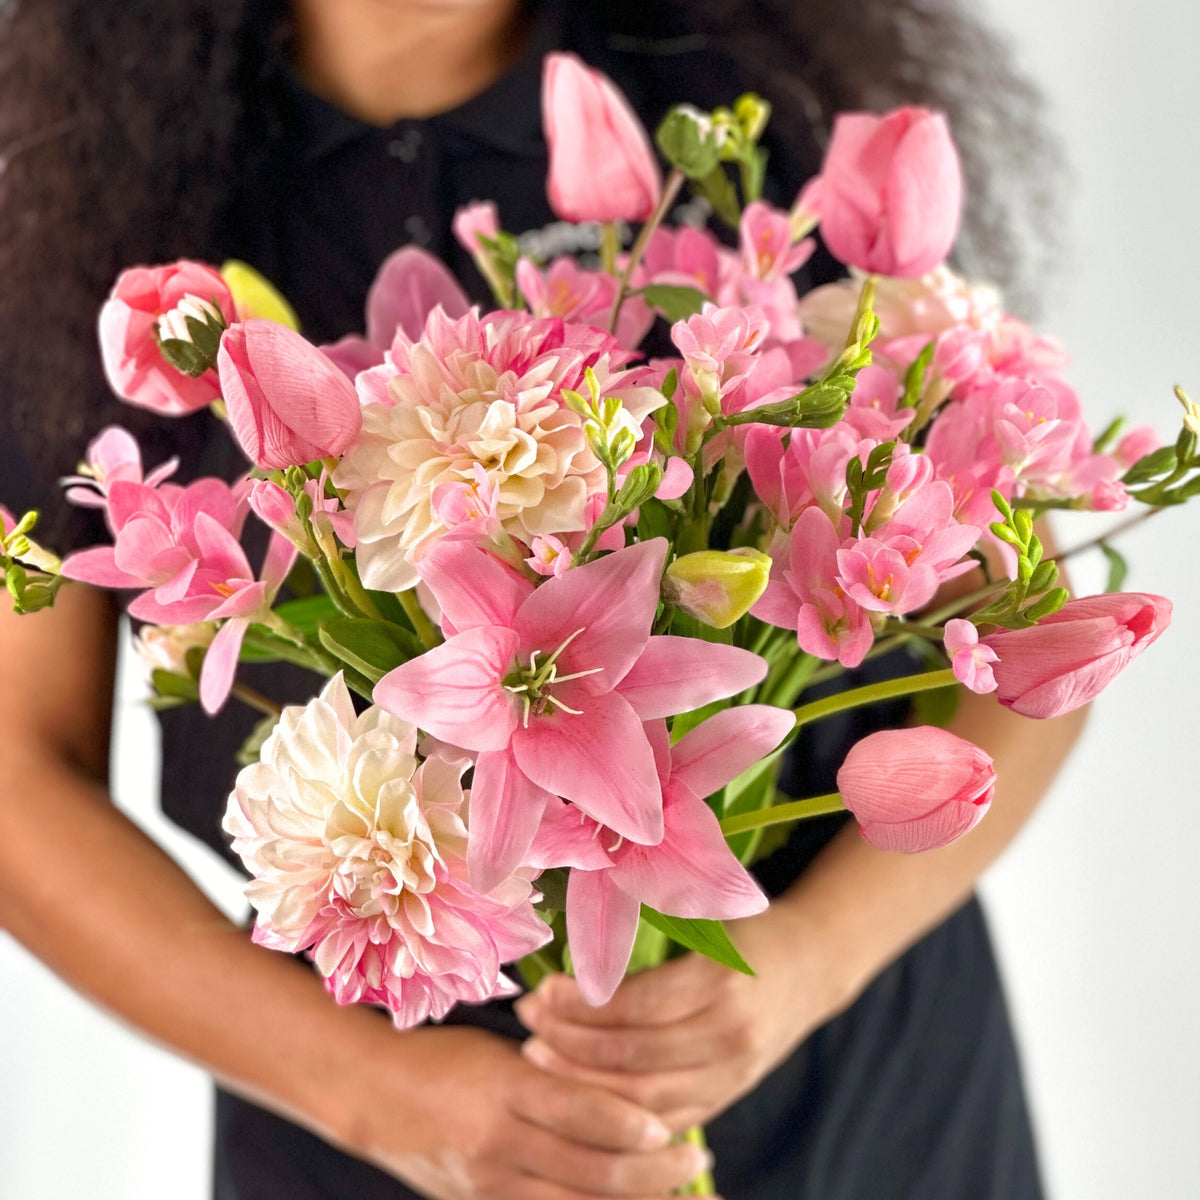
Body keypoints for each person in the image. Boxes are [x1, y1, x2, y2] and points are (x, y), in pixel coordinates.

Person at [0, 1, 1081, 1197]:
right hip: (369, 1138)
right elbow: (15, 780)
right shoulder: (70, 197)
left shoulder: (730, 116)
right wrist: (378, 1097)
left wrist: (803, 967)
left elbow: (1033, 641)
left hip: (862, 1101)